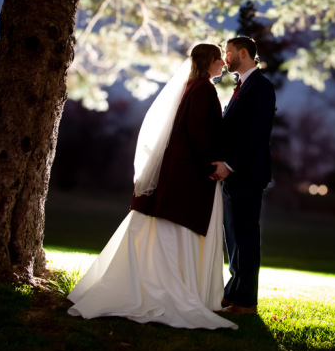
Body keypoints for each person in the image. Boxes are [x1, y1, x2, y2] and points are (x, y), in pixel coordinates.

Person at [67, 44, 237, 330]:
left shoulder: (190, 86)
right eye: (219, 58)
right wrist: (213, 162)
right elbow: (197, 132)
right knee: (178, 227)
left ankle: (152, 283)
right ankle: (171, 289)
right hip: (189, 173)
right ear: (210, 61)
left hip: (179, 169)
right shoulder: (204, 89)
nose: (223, 63)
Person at [211, 36, 277, 316]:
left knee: (245, 236)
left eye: (227, 52)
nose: (225, 58)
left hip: (247, 174)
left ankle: (246, 302)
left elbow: (257, 133)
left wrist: (231, 164)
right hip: (234, 176)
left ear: (243, 52)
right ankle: (234, 292)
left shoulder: (261, 86)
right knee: (234, 237)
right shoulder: (243, 86)